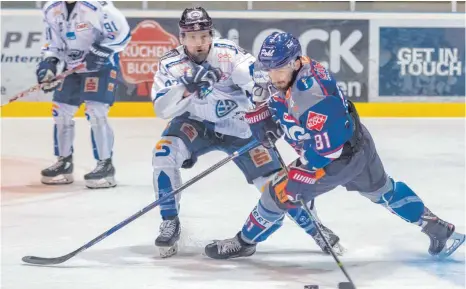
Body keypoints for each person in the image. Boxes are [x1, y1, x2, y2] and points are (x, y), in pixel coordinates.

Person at [205, 32, 465, 259]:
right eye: (270, 68)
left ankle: (244, 243)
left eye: (279, 69)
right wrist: (265, 115)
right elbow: (282, 100)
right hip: (359, 144)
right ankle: (439, 228)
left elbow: (327, 151)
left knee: (277, 194)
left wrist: (300, 177)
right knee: (383, 190)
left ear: (296, 62)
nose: (273, 76)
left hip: (335, 158)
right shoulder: (295, 71)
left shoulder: (312, 95)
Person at [151, 7, 343, 258]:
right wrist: (186, 89)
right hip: (196, 124)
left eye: (204, 35)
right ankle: (170, 221)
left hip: (240, 128)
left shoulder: (228, 54)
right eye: (192, 36)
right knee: (163, 154)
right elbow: (161, 109)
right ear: (182, 37)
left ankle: (315, 228)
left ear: (211, 34)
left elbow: (260, 83)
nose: (200, 42)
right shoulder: (170, 64)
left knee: (276, 185)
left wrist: (258, 102)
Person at [37, 1, 131, 188]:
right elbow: (53, 44)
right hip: (72, 68)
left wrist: (99, 52)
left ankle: (105, 164)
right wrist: (48, 66)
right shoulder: (51, 8)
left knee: (96, 112)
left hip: (101, 66)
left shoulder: (96, 6)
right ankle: (64, 162)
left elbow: (122, 34)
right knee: (60, 112)